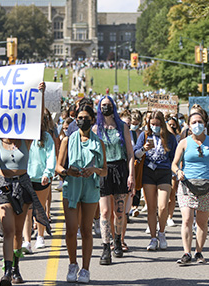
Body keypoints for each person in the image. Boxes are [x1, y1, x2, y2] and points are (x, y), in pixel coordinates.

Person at [0, 82, 51, 286]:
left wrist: (40, 95)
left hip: (23, 186)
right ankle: (6, 271)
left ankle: (16, 267)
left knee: (17, 231)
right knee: (8, 230)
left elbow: (38, 119)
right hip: (4, 186)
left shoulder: (26, 139)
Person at [56, 104, 107, 284]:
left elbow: (104, 171)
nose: (82, 121)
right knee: (71, 229)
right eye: (79, 118)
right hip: (72, 186)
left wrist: (94, 169)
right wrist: (67, 172)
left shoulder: (99, 143)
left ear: (92, 120)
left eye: (86, 118)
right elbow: (58, 167)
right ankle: (72, 264)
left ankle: (85, 269)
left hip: (90, 188)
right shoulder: (67, 140)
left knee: (86, 230)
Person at [171, 109, 209, 265]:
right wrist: (178, 171)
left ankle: (199, 252)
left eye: (200, 122)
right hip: (187, 185)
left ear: (205, 124)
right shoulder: (184, 142)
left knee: (202, 222)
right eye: (194, 122)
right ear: (189, 126)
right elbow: (174, 164)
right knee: (187, 219)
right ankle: (186, 253)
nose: (197, 125)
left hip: (208, 185)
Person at [94, 96, 135, 265]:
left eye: (109, 105)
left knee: (119, 212)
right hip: (103, 170)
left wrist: (131, 175)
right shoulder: (96, 129)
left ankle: (117, 239)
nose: (106, 108)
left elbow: (130, 153)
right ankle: (105, 247)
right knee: (104, 212)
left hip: (120, 169)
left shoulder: (122, 127)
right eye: (103, 105)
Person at [134, 111, 178, 251]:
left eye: (158, 124)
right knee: (151, 207)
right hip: (148, 172)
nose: (155, 127)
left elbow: (175, 156)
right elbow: (135, 153)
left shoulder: (170, 138)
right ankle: (153, 238)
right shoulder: (145, 135)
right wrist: (144, 149)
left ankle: (162, 232)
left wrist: (175, 172)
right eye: (152, 124)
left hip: (164, 172)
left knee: (163, 206)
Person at [21, 108, 57, 253]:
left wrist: (47, 173)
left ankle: (40, 236)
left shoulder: (47, 137)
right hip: (26, 177)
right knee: (27, 211)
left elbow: (50, 156)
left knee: (40, 208)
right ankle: (27, 240)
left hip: (41, 178)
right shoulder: (24, 137)